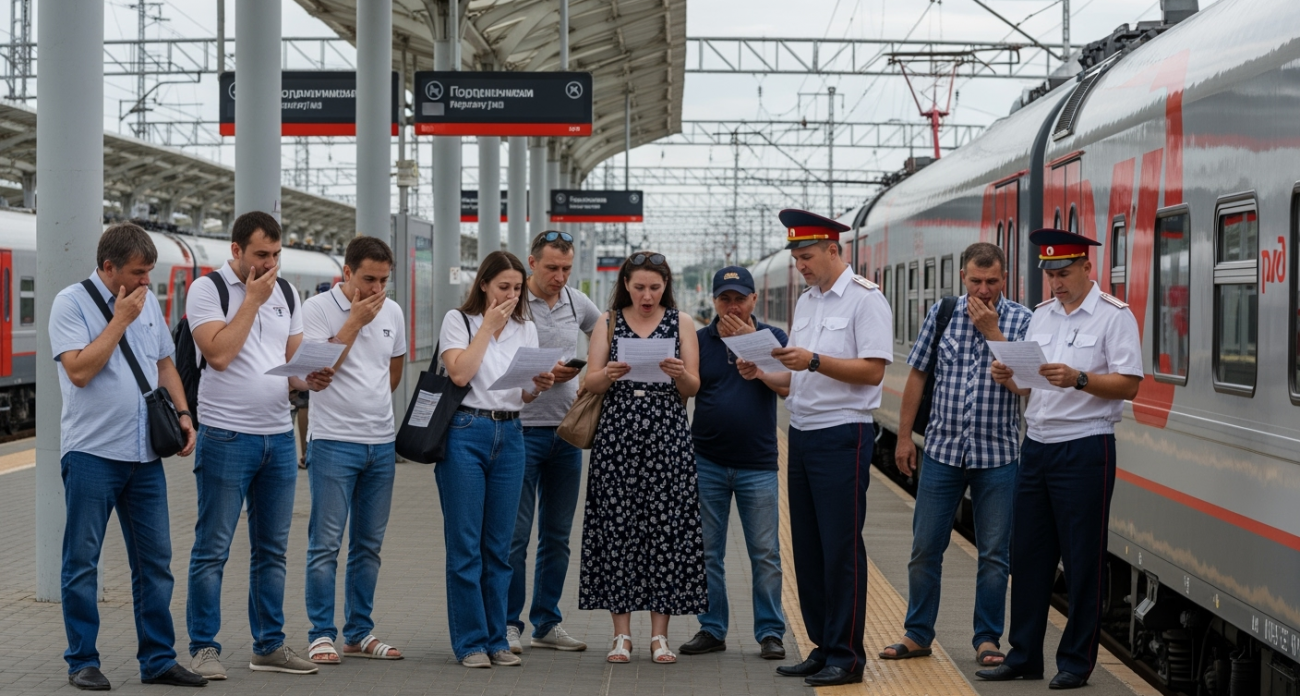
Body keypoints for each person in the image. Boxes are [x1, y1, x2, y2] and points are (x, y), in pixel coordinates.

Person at [979, 229, 1142, 689]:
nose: (1056, 283)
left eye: (1064, 273)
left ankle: (1075, 661)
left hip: (1086, 446)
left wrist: (1080, 378)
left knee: (1081, 557)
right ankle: (1024, 655)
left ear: (1088, 268)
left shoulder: (1115, 317)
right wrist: (1008, 376)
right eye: (1050, 274)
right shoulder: (1041, 317)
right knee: (1027, 555)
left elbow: (1129, 385)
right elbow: (1031, 386)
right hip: (1039, 444)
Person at [50, 224, 207, 690]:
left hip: (143, 455)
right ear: (107, 267)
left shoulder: (146, 304)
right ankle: (82, 660)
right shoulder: (70, 303)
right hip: (92, 453)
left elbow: (163, 364)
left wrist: (182, 412)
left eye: (149, 274)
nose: (145, 283)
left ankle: (158, 659)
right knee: (82, 561)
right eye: (137, 274)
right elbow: (78, 370)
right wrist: (118, 319)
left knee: (155, 562)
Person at [740, 209, 893, 687]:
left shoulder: (867, 301)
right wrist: (766, 373)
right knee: (806, 548)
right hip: (804, 435)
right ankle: (821, 646)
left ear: (833, 250)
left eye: (806, 256)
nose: (800, 266)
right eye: (796, 258)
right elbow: (800, 375)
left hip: (842, 435)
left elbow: (872, 371)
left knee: (841, 548)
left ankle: (847, 656)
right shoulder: (807, 302)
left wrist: (815, 359)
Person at [185, 211, 333, 679]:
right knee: (213, 548)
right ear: (236, 251)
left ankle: (268, 644)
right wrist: (251, 298)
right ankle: (204, 648)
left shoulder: (285, 292)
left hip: (278, 436)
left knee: (272, 549)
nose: (269, 264)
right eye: (260, 255)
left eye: (275, 255)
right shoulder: (206, 291)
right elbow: (221, 354)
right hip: (226, 434)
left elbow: (289, 363)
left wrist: (310, 376)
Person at [878, 243, 1032, 668]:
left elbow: (1030, 387)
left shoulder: (1021, 319)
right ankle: (918, 633)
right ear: (963, 277)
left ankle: (986, 639)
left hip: (998, 455)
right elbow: (918, 374)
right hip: (943, 451)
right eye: (976, 281)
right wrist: (904, 438)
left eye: (992, 281)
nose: (984, 291)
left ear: (1005, 279)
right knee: (925, 546)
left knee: (995, 554)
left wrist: (995, 336)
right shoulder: (942, 313)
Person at [580, 250, 705, 666]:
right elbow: (590, 381)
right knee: (618, 530)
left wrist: (678, 373)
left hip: (667, 438)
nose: (647, 296)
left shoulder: (682, 322)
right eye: (639, 288)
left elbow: (692, 388)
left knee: (665, 531)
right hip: (618, 439)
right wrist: (610, 373)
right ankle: (621, 635)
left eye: (655, 287)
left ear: (666, 285)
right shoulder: (608, 320)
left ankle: (659, 636)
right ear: (626, 286)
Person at [438, 250, 556, 669]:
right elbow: (460, 374)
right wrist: (487, 327)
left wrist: (538, 385)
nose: (510, 295)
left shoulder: (526, 328)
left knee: (500, 547)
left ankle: (497, 637)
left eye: (517, 288)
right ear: (484, 284)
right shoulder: (459, 321)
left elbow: (522, 391)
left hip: (511, 432)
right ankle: (471, 642)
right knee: (466, 545)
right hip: (466, 432)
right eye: (503, 286)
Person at [300, 236, 406, 665]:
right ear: (346, 273)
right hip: (332, 442)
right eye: (368, 279)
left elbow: (392, 371)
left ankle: (359, 631)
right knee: (325, 543)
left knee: (369, 544)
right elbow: (316, 369)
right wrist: (353, 323)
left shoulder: (393, 311)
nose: (376, 289)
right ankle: (321, 632)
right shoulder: (317, 309)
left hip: (380, 443)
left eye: (383, 280)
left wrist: (372, 406)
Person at [679, 265, 788, 661]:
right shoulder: (699, 340)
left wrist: (758, 361)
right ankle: (712, 628)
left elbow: (789, 385)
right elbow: (685, 390)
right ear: (713, 301)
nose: (732, 306)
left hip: (758, 464)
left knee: (765, 552)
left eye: (740, 298)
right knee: (708, 551)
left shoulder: (772, 337)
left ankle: (771, 632)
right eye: (725, 299)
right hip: (706, 459)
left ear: (754, 299)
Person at [506, 231, 601, 654]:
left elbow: (607, 331)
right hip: (520, 429)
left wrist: (587, 373)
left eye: (566, 268)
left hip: (565, 432)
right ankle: (509, 623)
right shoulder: (512, 300)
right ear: (531, 263)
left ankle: (547, 622)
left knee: (558, 535)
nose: (560, 276)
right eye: (551, 268)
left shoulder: (577, 303)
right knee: (516, 535)